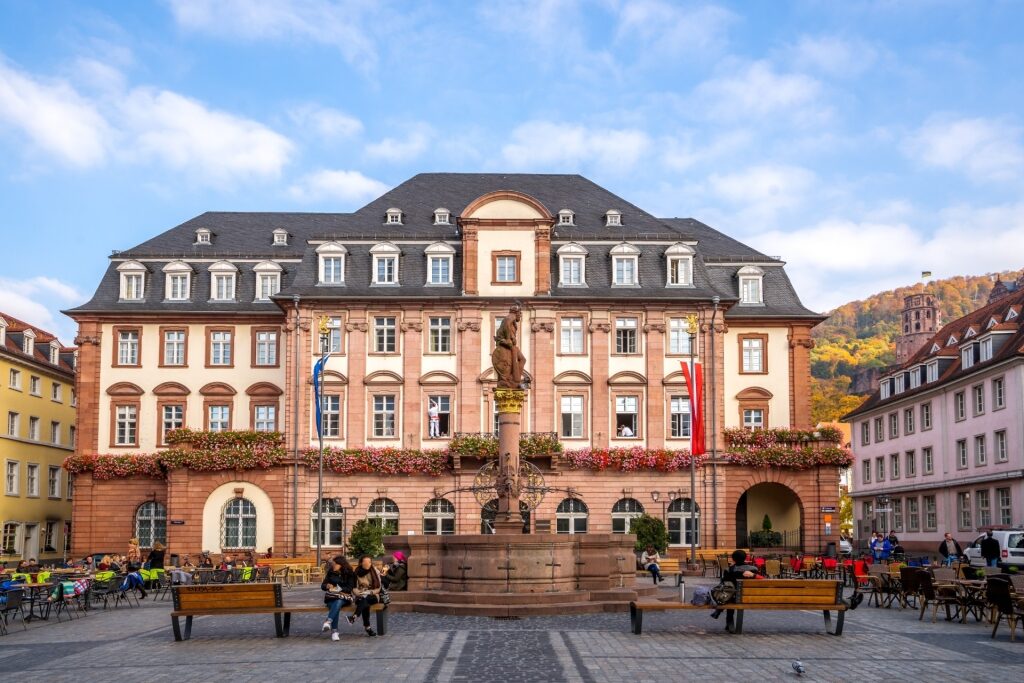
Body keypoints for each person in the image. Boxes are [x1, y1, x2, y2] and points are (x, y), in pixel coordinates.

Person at [710, 550, 758, 632]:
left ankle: (728, 620)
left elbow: (723, 585)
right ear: (745, 558)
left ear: (733, 559)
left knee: (729, 594)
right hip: (749, 597)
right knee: (733, 593)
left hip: (732, 597)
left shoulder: (728, 570)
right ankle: (725, 618)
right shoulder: (754, 569)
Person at [321, 555, 356, 641]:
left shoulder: (350, 573)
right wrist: (327, 585)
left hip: (345, 597)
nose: (333, 565)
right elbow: (323, 586)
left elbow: (350, 588)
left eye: (335, 564)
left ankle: (332, 628)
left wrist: (338, 589)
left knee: (338, 602)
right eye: (333, 564)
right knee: (336, 604)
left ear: (341, 564)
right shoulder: (331, 572)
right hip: (331, 597)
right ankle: (332, 628)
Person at [352, 555, 383, 637]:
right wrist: (359, 593)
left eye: (369, 562)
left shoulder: (375, 571)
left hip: (374, 594)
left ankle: (355, 616)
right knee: (364, 602)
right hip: (361, 594)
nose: (367, 564)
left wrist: (370, 592)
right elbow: (354, 588)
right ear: (361, 563)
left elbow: (378, 588)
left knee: (365, 601)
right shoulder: (357, 572)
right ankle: (368, 628)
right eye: (365, 562)